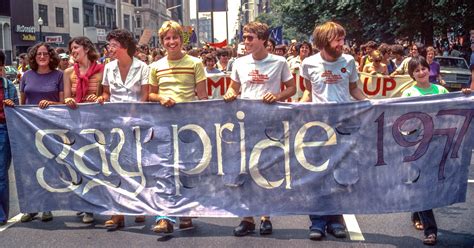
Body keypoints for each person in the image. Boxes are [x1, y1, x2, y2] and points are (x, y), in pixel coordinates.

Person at [223, 21, 296, 237]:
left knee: (265, 170)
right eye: (244, 37)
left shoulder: (280, 61)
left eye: (250, 38)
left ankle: (265, 215)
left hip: (270, 123)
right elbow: (233, 88)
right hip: (244, 123)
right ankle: (247, 218)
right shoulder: (239, 63)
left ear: (263, 40)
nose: (245, 42)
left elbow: (292, 88)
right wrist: (230, 94)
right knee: (244, 170)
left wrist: (278, 96)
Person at [300, 21, 367, 241]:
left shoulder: (349, 61)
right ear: (324, 41)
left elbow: (354, 89)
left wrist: (371, 104)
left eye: (342, 39)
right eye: (337, 39)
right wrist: (296, 109)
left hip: (344, 127)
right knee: (318, 175)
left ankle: (336, 221)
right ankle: (317, 222)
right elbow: (308, 93)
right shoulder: (308, 64)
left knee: (339, 175)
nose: (342, 44)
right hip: (318, 129)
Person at [148, 20, 208, 234]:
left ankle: (186, 212)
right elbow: (150, 95)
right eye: (167, 38)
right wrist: (161, 97)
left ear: (181, 40)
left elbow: (203, 96)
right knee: (164, 169)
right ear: (162, 41)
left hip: (189, 125)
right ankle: (164, 216)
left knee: (187, 169)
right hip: (163, 124)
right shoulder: (154, 66)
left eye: (175, 37)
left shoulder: (196, 63)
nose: (171, 42)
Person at [96, 29, 150, 230]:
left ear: (124, 47)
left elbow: (144, 95)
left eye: (113, 45)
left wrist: (132, 115)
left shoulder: (142, 67)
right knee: (113, 166)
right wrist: (102, 98)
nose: (109, 48)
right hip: (114, 125)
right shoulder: (108, 68)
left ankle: (139, 208)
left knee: (138, 166)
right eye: (109, 45)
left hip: (137, 123)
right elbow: (107, 92)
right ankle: (116, 212)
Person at [401, 56, 451, 246]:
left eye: (424, 68)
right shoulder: (408, 93)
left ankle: (417, 211)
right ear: (412, 74)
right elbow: (403, 119)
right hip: (418, 146)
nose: (421, 72)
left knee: (430, 184)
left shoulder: (441, 90)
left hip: (438, 144)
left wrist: (464, 95)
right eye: (417, 70)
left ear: (429, 70)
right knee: (422, 185)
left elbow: (453, 107)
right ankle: (431, 231)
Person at [19, 42, 65, 223]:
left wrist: (50, 103)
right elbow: (22, 104)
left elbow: (62, 104)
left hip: (50, 127)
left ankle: (47, 206)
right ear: (34, 57)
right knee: (30, 168)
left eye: (45, 53)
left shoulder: (59, 75)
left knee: (47, 167)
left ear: (51, 56)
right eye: (39, 54)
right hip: (29, 128)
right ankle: (31, 207)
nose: (42, 56)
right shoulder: (26, 76)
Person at [0, 50, 19, 226]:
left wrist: (12, 106)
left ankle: (1, 215)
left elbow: (19, 115)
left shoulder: (8, 87)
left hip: (2, 130)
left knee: (0, 174)